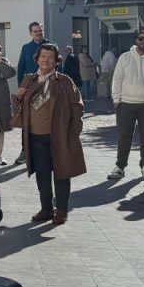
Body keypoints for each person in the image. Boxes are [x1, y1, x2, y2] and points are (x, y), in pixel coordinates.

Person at [15, 43, 86, 225]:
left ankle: (61, 211)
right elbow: (20, 107)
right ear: (37, 59)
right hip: (35, 136)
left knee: (62, 173)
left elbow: (77, 107)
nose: (46, 60)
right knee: (42, 174)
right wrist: (19, 97)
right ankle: (46, 209)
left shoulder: (64, 81)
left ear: (56, 61)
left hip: (60, 136)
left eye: (50, 57)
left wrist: (74, 132)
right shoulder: (29, 80)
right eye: (43, 56)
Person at [109, 28, 144, 181]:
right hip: (126, 103)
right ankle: (120, 167)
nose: (143, 41)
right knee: (124, 137)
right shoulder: (125, 57)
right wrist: (116, 99)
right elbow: (117, 79)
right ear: (136, 40)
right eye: (141, 38)